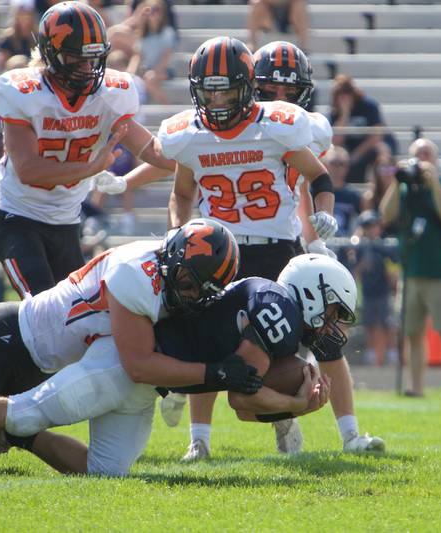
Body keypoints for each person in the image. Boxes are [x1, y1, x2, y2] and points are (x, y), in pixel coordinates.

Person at [0, 219, 254, 474]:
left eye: (203, 291)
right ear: (172, 258)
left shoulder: (174, 278)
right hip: (8, 340)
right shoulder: (137, 274)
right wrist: (214, 373)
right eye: (188, 281)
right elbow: (138, 365)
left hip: (44, 359)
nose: (190, 294)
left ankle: (17, 436)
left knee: (105, 472)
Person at [160, 38, 380, 461]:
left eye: (226, 89)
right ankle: (199, 442)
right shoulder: (189, 136)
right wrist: (179, 232)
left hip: (280, 251)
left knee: (324, 337)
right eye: (209, 89)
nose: (217, 99)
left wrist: (324, 215)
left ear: (247, 87)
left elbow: (320, 177)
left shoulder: (277, 126)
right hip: (219, 254)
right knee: (211, 343)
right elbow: (180, 194)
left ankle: (350, 435)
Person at [0, 255, 346, 476]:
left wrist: (292, 403)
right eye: (330, 311)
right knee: (27, 410)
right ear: (311, 292)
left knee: (105, 470)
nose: (330, 324)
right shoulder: (278, 309)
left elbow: (242, 398)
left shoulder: (273, 305)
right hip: (126, 366)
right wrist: (296, 406)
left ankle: (20, 439)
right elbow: (242, 396)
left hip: (152, 387)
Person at [0, 1, 175, 298]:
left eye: (94, 58)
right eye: (77, 58)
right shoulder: (24, 93)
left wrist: (201, 155)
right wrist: (91, 167)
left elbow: (153, 150)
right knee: (43, 311)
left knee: (77, 315)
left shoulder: (109, 95)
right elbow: (28, 170)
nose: (88, 68)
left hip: (66, 222)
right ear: (51, 53)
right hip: (17, 217)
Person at [379, 138, 441, 399]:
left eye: (427, 154)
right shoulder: (406, 190)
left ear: (436, 159)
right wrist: (397, 180)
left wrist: (434, 183)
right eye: (418, 155)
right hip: (411, 271)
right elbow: (386, 214)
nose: (423, 159)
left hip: (440, 271)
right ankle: (416, 387)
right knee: (412, 334)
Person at [350, 210, 397, 366]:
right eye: (367, 226)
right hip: (368, 292)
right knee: (369, 324)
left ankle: (392, 354)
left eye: (373, 226)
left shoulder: (385, 247)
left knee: (387, 324)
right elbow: (353, 271)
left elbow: (393, 269)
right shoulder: (359, 248)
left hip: (383, 291)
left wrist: (391, 277)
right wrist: (361, 266)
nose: (370, 229)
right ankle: (371, 355)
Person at [329, 75, 393, 184]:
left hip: (367, 146)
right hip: (348, 149)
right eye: (341, 94)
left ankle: (384, 185)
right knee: (334, 155)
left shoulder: (368, 106)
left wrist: (357, 154)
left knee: (382, 149)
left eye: (348, 92)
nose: (345, 97)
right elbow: (335, 141)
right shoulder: (335, 112)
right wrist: (345, 114)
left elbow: (376, 136)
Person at [127, 0, 176, 105]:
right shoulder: (141, 35)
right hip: (147, 70)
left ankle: (169, 108)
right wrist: (129, 74)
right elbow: (137, 57)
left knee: (149, 80)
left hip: (165, 70)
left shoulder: (168, 33)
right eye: (149, 10)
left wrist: (155, 72)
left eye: (157, 10)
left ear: (162, 13)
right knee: (134, 80)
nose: (153, 14)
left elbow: (166, 58)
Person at [323, 146, 361, 237]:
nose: (338, 168)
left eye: (342, 164)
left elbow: (361, 225)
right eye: (334, 163)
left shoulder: (353, 196)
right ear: (324, 165)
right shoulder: (314, 191)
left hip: (345, 246)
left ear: (347, 167)